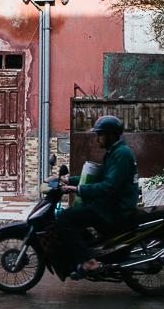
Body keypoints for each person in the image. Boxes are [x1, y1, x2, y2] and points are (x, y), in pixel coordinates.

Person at [57, 115, 141, 278]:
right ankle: (90, 252)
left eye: (100, 134)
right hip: (109, 204)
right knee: (73, 212)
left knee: (65, 219)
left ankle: (89, 262)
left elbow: (108, 186)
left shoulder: (121, 154)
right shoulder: (113, 152)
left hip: (116, 207)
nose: (97, 139)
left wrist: (76, 189)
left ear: (111, 135)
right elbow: (98, 176)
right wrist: (68, 180)